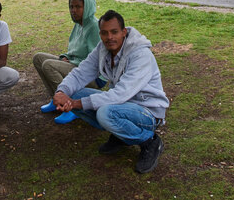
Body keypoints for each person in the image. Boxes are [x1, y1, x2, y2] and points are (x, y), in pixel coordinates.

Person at [53, 10, 169, 174]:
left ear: (124, 32)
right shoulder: (103, 48)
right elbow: (81, 72)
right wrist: (62, 92)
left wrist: (76, 104)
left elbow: (121, 93)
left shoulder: (140, 54)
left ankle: (149, 141)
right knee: (75, 94)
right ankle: (122, 136)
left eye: (114, 32)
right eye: (104, 33)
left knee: (105, 113)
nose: (109, 37)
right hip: (122, 105)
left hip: (147, 111)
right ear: (99, 33)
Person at [33, 0, 101, 124]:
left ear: (87, 7)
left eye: (78, 7)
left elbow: (95, 60)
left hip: (92, 75)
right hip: (76, 64)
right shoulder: (78, 24)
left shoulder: (94, 26)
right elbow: (75, 50)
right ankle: (55, 99)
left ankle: (69, 107)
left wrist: (72, 61)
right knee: (38, 58)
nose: (73, 10)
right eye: (71, 7)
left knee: (48, 65)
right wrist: (66, 57)